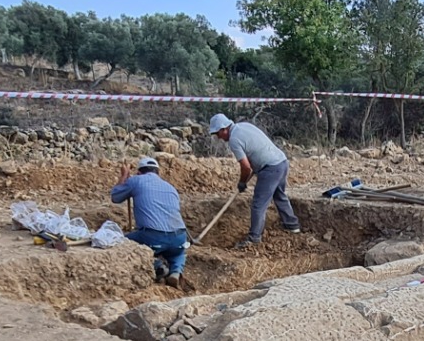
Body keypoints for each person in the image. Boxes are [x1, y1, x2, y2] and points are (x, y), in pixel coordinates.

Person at [207, 113, 300, 249]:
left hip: (270, 168)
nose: (219, 138)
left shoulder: (234, 140)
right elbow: (253, 153)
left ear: (224, 129)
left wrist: (242, 182)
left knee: (258, 204)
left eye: (218, 134)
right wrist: (250, 171)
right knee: (279, 195)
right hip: (282, 162)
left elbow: (245, 167)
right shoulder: (244, 126)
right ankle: (292, 226)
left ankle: (254, 238)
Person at [110, 156, 188, 286]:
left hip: (153, 237)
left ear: (139, 172)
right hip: (179, 237)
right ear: (158, 172)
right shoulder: (170, 187)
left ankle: (159, 267)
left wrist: (124, 176)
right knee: (178, 253)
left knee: (124, 243)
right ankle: (176, 271)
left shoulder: (136, 180)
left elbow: (115, 197)